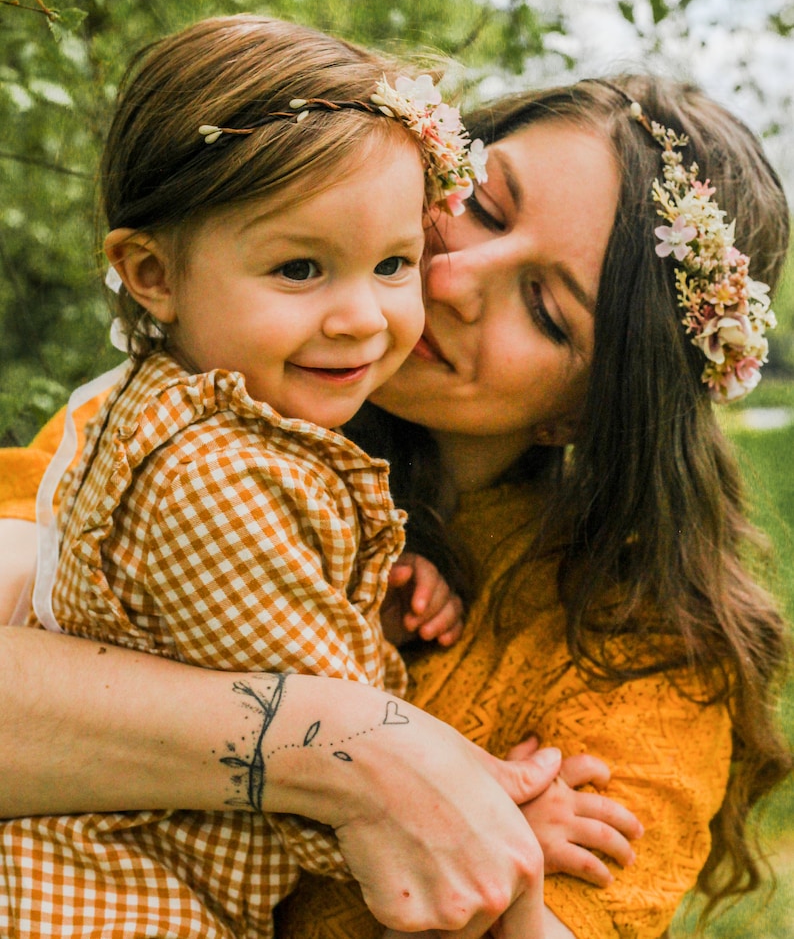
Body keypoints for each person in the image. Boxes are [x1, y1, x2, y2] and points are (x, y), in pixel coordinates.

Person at [0, 72, 791, 939]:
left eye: (545, 309)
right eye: (483, 206)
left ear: (584, 409)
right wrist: (361, 755)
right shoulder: (177, 414)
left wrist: (500, 873)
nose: (451, 274)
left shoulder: (647, 650)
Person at [0, 13, 538, 939]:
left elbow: (225, 641)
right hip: (113, 897)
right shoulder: (215, 475)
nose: (363, 317)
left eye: (395, 263)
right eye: (300, 267)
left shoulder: (203, 423)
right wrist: (498, 807)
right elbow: (349, 765)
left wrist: (367, 600)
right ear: (151, 274)